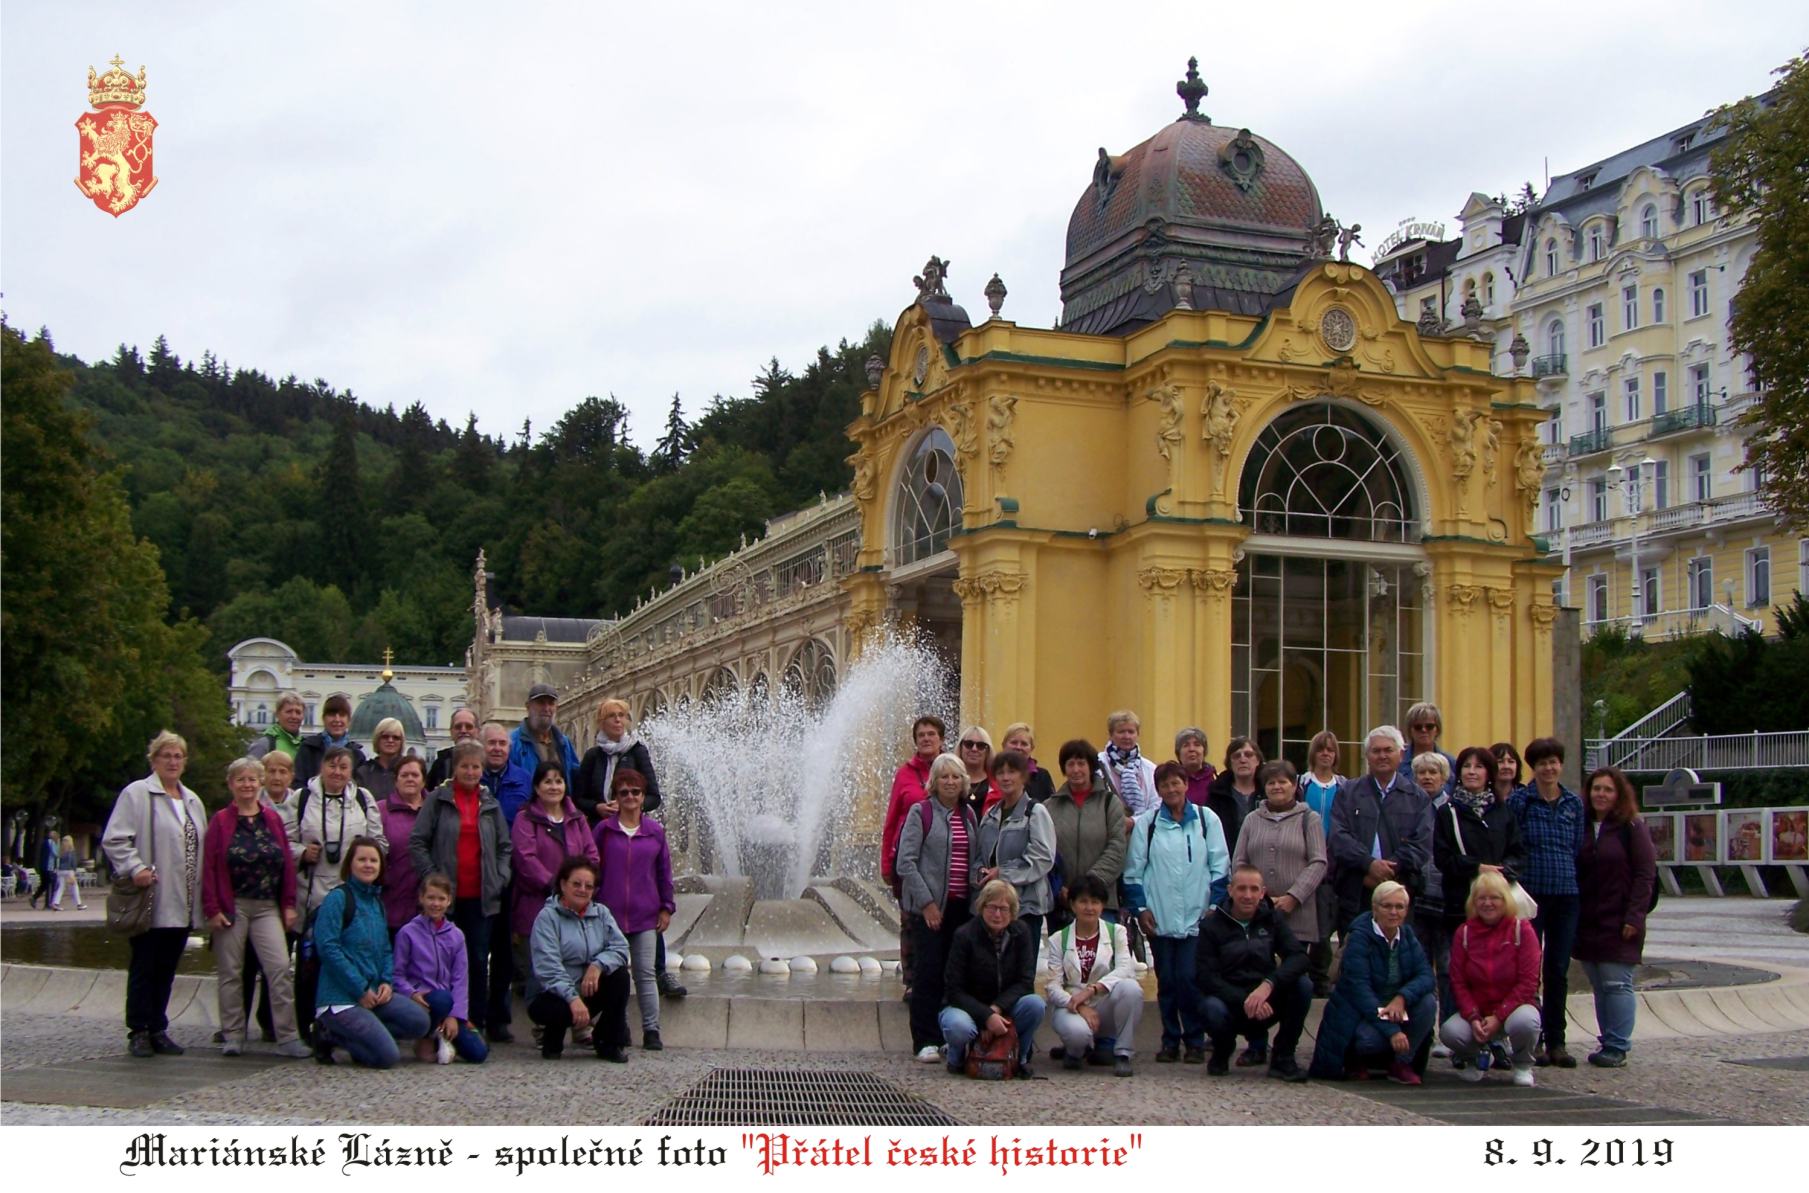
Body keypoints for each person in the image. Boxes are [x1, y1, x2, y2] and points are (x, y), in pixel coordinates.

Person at [103, 731, 209, 1058]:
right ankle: (138, 1029)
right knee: (145, 964)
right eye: (167, 756)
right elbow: (115, 839)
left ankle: (158, 1026)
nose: (173, 762)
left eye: (178, 756)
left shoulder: (192, 800)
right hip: (152, 898)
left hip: (183, 899)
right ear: (154, 760)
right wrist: (135, 868)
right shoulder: (138, 794)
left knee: (167, 967)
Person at [202, 756, 308, 1058]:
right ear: (231, 784)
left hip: (266, 906)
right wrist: (212, 909)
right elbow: (209, 868)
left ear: (260, 783)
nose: (247, 785)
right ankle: (233, 1034)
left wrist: (288, 904)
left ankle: (287, 1035)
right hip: (232, 903)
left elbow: (286, 863)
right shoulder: (221, 821)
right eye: (241, 779)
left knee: (279, 968)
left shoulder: (271, 819)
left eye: (252, 779)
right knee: (231, 972)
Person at [1124, 760, 1228, 1063]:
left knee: (1189, 979)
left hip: (1198, 916)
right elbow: (1134, 870)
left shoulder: (1207, 820)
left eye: (1176, 783)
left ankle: (1194, 1039)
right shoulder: (1149, 823)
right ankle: (1170, 1039)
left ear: (1186, 784)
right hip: (1160, 916)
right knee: (1167, 981)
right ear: (1158, 790)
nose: (1171, 789)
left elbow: (1220, 866)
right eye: (1165, 785)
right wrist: (1140, 909)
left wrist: (1213, 907)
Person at [410, 739, 513, 1041]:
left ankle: (473, 1022)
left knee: (478, 961)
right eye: (465, 766)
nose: (470, 771)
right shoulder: (439, 799)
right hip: (446, 899)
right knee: (443, 963)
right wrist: (432, 878)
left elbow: (504, 846)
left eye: (476, 766)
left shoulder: (489, 802)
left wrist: (500, 876)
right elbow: (418, 841)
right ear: (454, 769)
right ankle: (440, 1023)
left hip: (482, 896)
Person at [285, 744, 388, 1043]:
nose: (337, 772)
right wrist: (302, 852)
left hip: (352, 894)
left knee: (348, 957)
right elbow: (284, 841)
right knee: (310, 962)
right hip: (313, 892)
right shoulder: (302, 798)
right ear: (322, 767)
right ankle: (308, 1025)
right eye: (332, 766)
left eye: (343, 767)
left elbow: (378, 841)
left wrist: (365, 860)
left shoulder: (361, 798)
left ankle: (344, 1024)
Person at [1230, 759, 1328, 1067]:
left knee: (1295, 983)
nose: (1276, 786)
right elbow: (1239, 861)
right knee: (1255, 976)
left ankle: (1285, 1047)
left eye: (1283, 781)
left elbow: (1318, 862)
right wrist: (1254, 896)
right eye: (1271, 782)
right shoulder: (1252, 819)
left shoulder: (1308, 819)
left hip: (1296, 914)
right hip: (1256, 913)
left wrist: (1293, 896)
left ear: (1294, 785)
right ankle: (1256, 1044)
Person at [310, 837, 431, 1067]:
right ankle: (329, 1033)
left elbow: (385, 948)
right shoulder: (337, 899)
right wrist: (359, 988)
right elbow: (328, 948)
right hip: (342, 998)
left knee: (419, 1022)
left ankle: (365, 1036)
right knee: (387, 1058)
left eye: (374, 860)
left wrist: (386, 981)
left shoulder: (376, 903)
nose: (368, 865)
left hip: (374, 994)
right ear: (350, 864)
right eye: (362, 860)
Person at [1308, 881, 1436, 1084]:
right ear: (1375, 908)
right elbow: (1360, 992)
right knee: (1369, 1041)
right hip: (1363, 1011)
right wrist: (1392, 1031)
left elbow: (1426, 976)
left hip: (1395, 1006)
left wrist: (1402, 997)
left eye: (1399, 907)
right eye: (1387, 906)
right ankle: (1357, 1060)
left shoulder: (1408, 935)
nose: (1393, 912)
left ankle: (1401, 1063)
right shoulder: (1359, 937)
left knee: (1428, 1003)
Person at [895, 753, 978, 1063]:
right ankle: (924, 1039)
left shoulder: (968, 815)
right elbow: (906, 861)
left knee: (953, 974)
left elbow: (972, 858)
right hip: (930, 908)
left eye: (956, 776)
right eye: (944, 776)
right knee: (927, 973)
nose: (950, 781)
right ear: (934, 781)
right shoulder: (922, 812)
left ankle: (948, 1036)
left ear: (963, 781)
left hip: (960, 906)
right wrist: (927, 904)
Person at [1196, 864, 1313, 1081]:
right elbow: (1205, 977)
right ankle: (1222, 1051)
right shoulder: (1211, 925)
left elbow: (1299, 957)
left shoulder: (1273, 919)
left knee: (1303, 985)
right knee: (1209, 1007)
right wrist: (1247, 1000)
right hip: (1230, 1001)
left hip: (1266, 998)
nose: (1247, 895)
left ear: (1262, 892)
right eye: (1241, 889)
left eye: (1253, 889)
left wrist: (1269, 985)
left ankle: (1283, 1058)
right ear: (1230, 890)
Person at [1509, 736, 1585, 1068]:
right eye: (1542, 763)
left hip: (1566, 893)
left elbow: (1578, 845)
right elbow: (1513, 844)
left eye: (1554, 762)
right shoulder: (1521, 801)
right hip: (1532, 894)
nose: (1549, 768)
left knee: (1558, 968)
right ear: (1533, 767)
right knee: (1529, 968)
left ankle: (1558, 1039)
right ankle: (1532, 1039)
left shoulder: (1573, 803)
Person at [1575, 766, 1657, 1069]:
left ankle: (1618, 1043)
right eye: (1596, 788)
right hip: (1589, 919)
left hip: (1620, 918)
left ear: (1618, 794)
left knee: (1617, 982)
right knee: (1599, 982)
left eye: (1608, 789)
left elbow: (1645, 873)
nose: (1601, 794)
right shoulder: (1582, 825)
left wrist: (1634, 917)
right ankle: (1607, 1039)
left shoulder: (1632, 826)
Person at [592, 767, 675, 1051]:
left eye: (635, 792)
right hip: (609, 916)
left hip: (644, 914)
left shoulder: (655, 832)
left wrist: (666, 907)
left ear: (643, 797)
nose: (629, 797)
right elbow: (593, 869)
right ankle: (619, 1027)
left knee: (645, 973)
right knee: (615, 976)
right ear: (615, 796)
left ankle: (651, 1030)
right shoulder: (604, 830)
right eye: (623, 792)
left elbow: (664, 872)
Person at [1327, 726, 1433, 934]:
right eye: (1376, 751)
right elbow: (1338, 837)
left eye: (1388, 750)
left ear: (1401, 754)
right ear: (1367, 755)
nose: (1382, 756)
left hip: (1401, 893)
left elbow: (1421, 843)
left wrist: (1389, 870)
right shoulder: (1348, 792)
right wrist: (1368, 864)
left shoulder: (1416, 797)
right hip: (1357, 892)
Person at [1441, 870, 1542, 1086]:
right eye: (1482, 898)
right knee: (1450, 1032)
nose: (1488, 903)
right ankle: (1475, 1058)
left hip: (1514, 1008)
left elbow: (1528, 982)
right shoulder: (1464, 933)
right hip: (1479, 1010)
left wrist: (1498, 1016)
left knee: (1527, 1022)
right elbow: (1458, 981)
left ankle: (1523, 1063)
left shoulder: (1522, 930)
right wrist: (1473, 1016)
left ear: (1505, 900)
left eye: (1494, 897)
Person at [526, 856, 632, 1061]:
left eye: (588, 886)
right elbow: (548, 968)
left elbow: (620, 947)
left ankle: (607, 1041)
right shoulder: (547, 918)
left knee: (620, 977)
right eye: (576, 883)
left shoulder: (601, 913)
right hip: (550, 994)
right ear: (563, 885)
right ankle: (552, 1036)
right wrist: (572, 998)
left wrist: (598, 965)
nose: (582, 890)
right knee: (558, 1008)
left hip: (586, 987)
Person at [940, 878, 1044, 1077]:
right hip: (967, 1007)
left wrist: (996, 1010)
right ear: (982, 907)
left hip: (1003, 1007)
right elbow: (954, 989)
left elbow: (1025, 981)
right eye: (992, 907)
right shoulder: (964, 935)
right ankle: (956, 1057)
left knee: (1035, 1004)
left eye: (1004, 909)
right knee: (958, 1026)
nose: (997, 914)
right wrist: (986, 1016)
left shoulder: (1021, 933)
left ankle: (1019, 1058)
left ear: (1012, 911)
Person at [1041, 874, 1140, 1077]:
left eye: (1095, 902)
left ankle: (1122, 1053)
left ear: (1103, 906)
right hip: (1072, 1005)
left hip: (1104, 1004)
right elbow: (1052, 987)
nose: (1089, 907)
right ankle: (1076, 1051)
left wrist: (1092, 990)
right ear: (1072, 904)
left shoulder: (1117, 932)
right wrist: (1080, 1004)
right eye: (1083, 901)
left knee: (1131, 988)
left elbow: (1124, 969)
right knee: (1078, 1034)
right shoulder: (1058, 939)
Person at [392, 873, 489, 1064]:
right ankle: (426, 1037)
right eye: (430, 898)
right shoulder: (407, 933)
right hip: (422, 1000)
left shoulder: (456, 936)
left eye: (441, 899)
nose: (435, 904)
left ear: (449, 901)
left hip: (448, 1005)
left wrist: (455, 1015)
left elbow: (460, 979)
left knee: (478, 1053)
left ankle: (442, 1032)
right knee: (441, 998)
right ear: (421, 898)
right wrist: (411, 993)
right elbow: (397, 974)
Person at [880, 714, 946, 996]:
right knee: (910, 920)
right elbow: (892, 817)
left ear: (942, 739)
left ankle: (941, 979)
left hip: (942, 858)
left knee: (943, 918)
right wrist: (886, 861)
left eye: (932, 734)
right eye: (921, 735)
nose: (927, 739)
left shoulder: (950, 769)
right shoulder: (905, 773)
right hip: (908, 860)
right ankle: (912, 980)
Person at [511, 759, 600, 953]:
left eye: (558, 781)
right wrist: (556, 887)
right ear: (536, 787)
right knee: (537, 972)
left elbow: (591, 855)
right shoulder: (525, 818)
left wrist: (580, 885)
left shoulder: (577, 818)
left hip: (575, 905)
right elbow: (525, 859)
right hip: (537, 904)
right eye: (548, 782)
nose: (554, 787)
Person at [1044, 739, 1129, 932]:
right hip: (1063, 904)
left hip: (1102, 902)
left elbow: (1117, 848)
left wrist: (1087, 888)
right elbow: (1045, 851)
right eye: (1070, 764)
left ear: (1091, 766)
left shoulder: (1110, 803)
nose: (1076, 769)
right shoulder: (1049, 806)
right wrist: (1060, 888)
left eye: (1081, 763)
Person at [973, 751, 1056, 937]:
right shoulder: (990, 815)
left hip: (1025, 907)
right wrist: (980, 874)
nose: (1006, 777)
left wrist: (1003, 873)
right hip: (993, 908)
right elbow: (979, 855)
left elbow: (1042, 858)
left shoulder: (1035, 812)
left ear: (1023, 776)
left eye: (1011, 772)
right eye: (1000, 773)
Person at [1409, 751, 1453, 1052]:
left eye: (1432, 772)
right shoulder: (1409, 806)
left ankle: (1449, 1030)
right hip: (1416, 896)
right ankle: (1422, 1032)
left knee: (1448, 968)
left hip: (1447, 897)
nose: (1427, 777)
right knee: (1420, 966)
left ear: (1444, 777)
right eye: (1422, 772)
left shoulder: (1454, 810)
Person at [1299, 730, 1346, 995]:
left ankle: (1321, 976)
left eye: (1330, 750)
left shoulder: (1343, 786)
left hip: (1335, 863)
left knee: (1325, 923)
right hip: (1306, 859)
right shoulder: (1303, 784)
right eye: (1321, 749)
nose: (1326, 754)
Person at [574, 698, 662, 822]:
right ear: (601, 722)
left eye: (621, 715)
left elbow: (654, 797)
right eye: (611, 716)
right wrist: (596, 807)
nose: (618, 720)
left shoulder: (637, 751)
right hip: (599, 828)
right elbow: (578, 798)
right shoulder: (593, 756)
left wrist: (629, 806)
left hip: (630, 826)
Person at [378, 755, 430, 935]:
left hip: (427, 903)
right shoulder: (381, 810)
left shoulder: (436, 809)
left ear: (424, 780)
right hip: (391, 899)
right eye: (404, 775)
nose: (410, 779)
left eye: (415, 775)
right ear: (395, 780)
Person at [509, 683, 582, 788]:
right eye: (541, 703)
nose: (546, 708)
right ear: (528, 706)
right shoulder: (514, 742)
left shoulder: (564, 742)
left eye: (551, 703)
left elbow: (575, 777)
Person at [293, 695, 368, 790]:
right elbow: (298, 783)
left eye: (342, 715)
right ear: (324, 719)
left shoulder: (357, 755)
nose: (337, 720)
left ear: (349, 721)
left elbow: (358, 788)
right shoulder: (309, 748)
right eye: (332, 715)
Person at [1099, 710, 1158, 824]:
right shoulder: (1098, 764)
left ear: (1138, 734)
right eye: (1121, 732)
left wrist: (1133, 822)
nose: (1126, 736)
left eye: (1131, 732)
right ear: (1111, 734)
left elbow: (1156, 804)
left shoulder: (1150, 768)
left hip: (1143, 831)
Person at [1204, 737, 1263, 851]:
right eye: (1236, 756)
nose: (1242, 760)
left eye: (1248, 754)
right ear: (1230, 763)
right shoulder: (1217, 794)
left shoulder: (1268, 791)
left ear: (1258, 760)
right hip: (1227, 859)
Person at [1404, 702, 1455, 792]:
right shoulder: (1398, 760)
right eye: (1418, 727)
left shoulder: (1451, 762)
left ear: (1437, 729)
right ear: (1410, 730)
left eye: (1429, 726)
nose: (1424, 730)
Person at [427, 707, 481, 790]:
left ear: (477, 731)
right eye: (458, 726)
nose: (463, 730)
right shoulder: (440, 764)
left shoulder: (487, 762)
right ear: (451, 732)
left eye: (468, 726)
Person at [355, 718, 409, 802]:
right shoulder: (363, 773)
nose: (390, 740)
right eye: (385, 736)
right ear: (377, 739)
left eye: (396, 737)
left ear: (401, 742)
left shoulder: (410, 772)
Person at [1000, 723, 1055, 804]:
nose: (1018, 747)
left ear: (1031, 748)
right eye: (1014, 742)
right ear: (1004, 745)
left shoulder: (1042, 776)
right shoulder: (994, 774)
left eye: (1024, 744)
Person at [249, 692, 309, 765]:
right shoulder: (264, 745)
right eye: (289, 712)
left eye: (298, 712)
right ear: (277, 714)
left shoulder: (306, 745)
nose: (294, 716)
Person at [956, 725, 998, 815]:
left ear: (988, 751)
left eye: (981, 746)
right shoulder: (950, 780)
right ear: (960, 747)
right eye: (969, 744)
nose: (974, 749)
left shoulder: (998, 783)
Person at [1174, 727, 1218, 809]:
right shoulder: (1172, 780)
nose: (1191, 749)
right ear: (1178, 753)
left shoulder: (1216, 779)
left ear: (1204, 751)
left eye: (1197, 745)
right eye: (1186, 745)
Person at [52, 833, 84, 911]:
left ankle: (56, 903)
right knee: (74, 887)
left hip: (60, 871)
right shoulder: (71, 850)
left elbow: (57, 860)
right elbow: (72, 862)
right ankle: (79, 904)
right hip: (69, 871)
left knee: (60, 887)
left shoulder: (60, 850)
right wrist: (74, 870)